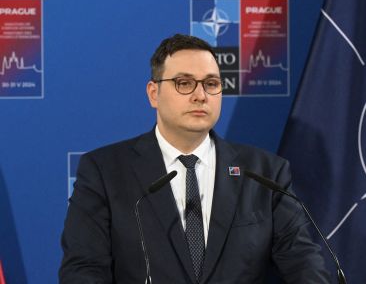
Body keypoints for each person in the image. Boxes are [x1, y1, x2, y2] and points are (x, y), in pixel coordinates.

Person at [59, 34, 330, 283]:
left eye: (211, 84)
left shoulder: (265, 173)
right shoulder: (105, 171)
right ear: (154, 94)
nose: (200, 95)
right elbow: (84, 269)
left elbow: (302, 262)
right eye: (184, 83)